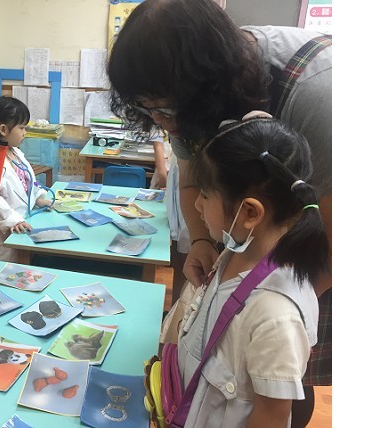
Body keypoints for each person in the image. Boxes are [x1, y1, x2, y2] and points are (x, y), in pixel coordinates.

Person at [106, 1, 331, 424]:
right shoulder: (186, 101)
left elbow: (333, 242)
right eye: (148, 109)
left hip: (323, 247)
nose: (161, 122)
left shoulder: (320, 94)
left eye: (165, 110)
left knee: (277, 372)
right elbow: (195, 176)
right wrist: (203, 242)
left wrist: (257, 313)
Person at [177, 116, 327, 426]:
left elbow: (271, 417)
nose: (197, 205)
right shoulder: (234, 251)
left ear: (249, 213)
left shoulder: (276, 317)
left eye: (205, 194)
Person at [0, 96, 54, 262]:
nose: (25, 133)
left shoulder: (15, 152)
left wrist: (38, 197)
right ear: (3, 129)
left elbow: (27, 181)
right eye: (22, 127)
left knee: (22, 262)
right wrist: (12, 220)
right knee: (2, 270)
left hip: (22, 222)